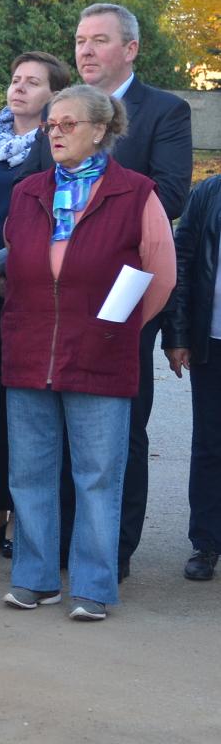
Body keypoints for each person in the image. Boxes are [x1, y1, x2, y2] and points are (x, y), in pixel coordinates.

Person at [16, 3, 192, 579]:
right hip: (51, 306)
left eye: (99, 40)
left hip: (120, 299)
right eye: (79, 40)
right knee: (52, 435)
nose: (85, 51)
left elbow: (171, 196)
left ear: (130, 49)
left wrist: (102, 231)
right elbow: (39, 191)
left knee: (119, 434)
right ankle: (62, 544)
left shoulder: (165, 110)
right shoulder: (59, 113)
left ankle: (113, 551)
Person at [0, 85, 174, 621]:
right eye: (51, 125)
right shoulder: (28, 191)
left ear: (100, 130)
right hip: (30, 350)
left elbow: (161, 276)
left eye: (68, 124)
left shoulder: (136, 192)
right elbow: (12, 265)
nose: (55, 133)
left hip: (101, 355)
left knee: (98, 476)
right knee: (29, 474)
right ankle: (35, 578)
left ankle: (93, 586)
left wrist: (115, 330)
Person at [0, 51, 69, 558]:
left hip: (25, 290)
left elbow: (49, 217)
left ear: (54, 95)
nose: (19, 87)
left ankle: (24, 517)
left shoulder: (53, 144)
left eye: (33, 82)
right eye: (16, 78)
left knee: (23, 409)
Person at [164, 173, 221, 582]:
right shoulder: (208, 193)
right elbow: (180, 262)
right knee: (210, 444)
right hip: (213, 341)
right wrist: (178, 335)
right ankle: (206, 541)